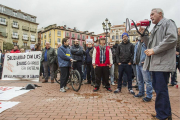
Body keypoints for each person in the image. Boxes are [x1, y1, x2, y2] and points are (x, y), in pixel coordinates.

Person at [139, 8, 177, 120]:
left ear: (160, 14)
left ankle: (163, 116)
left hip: (162, 63)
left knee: (161, 90)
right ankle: (164, 113)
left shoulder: (168, 22)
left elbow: (172, 39)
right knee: (160, 89)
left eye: (152, 14)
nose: (150, 17)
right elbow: (149, 43)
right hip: (156, 64)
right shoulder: (155, 27)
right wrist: (143, 35)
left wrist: (154, 50)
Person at [133, 36, 153, 102]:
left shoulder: (147, 43)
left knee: (147, 81)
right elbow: (135, 53)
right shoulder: (137, 43)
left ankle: (149, 96)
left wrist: (146, 60)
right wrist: (134, 60)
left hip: (144, 64)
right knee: (139, 80)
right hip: (137, 64)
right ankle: (141, 93)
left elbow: (151, 53)